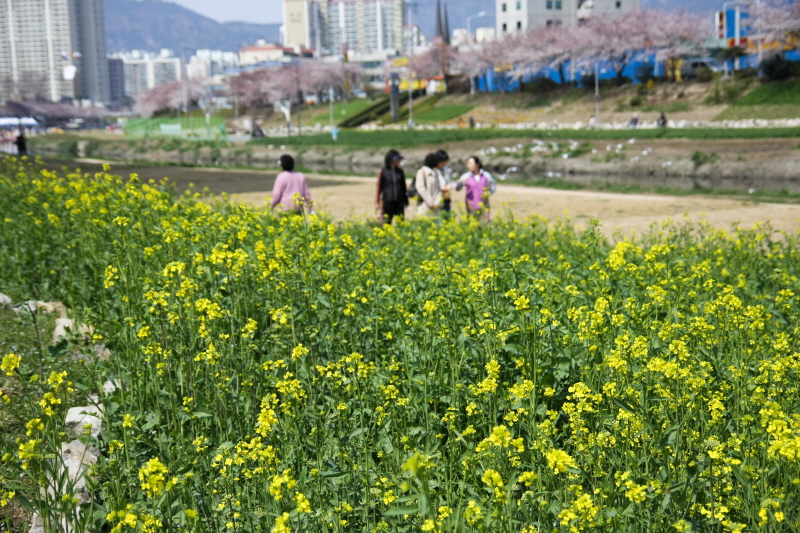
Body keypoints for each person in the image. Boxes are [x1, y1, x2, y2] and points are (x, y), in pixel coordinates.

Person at [456, 156, 497, 222]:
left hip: (484, 205)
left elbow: (493, 187)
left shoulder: (486, 175)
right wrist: (460, 182)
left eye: (470, 163)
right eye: (468, 164)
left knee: (485, 223)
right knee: (473, 223)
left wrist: (488, 193)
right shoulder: (466, 176)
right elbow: (457, 189)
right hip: (471, 206)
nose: (468, 165)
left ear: (477, 164)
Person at [376, 149, 408, 225]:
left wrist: (406, 201)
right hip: (387, 201)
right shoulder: (383, 171)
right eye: (397, 159)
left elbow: (403, 187)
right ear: (391, 160)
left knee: (401, 222)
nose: (399, 161)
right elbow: (379, 188)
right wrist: (377, 202)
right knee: (386, 222)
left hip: (399, 201)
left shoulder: (400, 171)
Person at [415, 153, 443, 217]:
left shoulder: (435, 173)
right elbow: (420, 188)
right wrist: (430, 203)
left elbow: (438, 189)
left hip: (436, 206)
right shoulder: (422, 172)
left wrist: (437, 202)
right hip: (425, 204)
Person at [435, 149, 453, 215]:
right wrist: (441, 188)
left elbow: (449, 180)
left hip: (446, 197)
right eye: (442, 161)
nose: (444, 163)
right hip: (437, 198)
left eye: (445, 161)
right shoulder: (434, 170)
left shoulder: (445, 169)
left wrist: (449, 185)